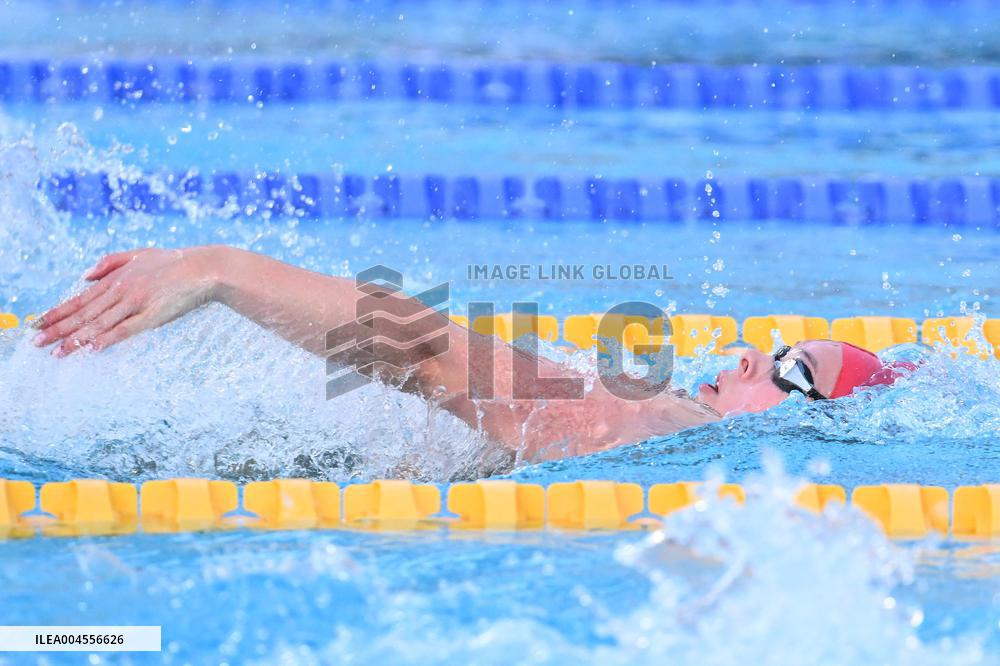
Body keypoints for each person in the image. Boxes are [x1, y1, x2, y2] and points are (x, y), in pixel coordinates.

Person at [30, 246, 907, 463]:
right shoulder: (657, 433)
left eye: (791, 370)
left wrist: (215, 270)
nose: (751, 355)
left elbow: (431, 352)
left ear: (817, 426)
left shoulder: (630, 424)